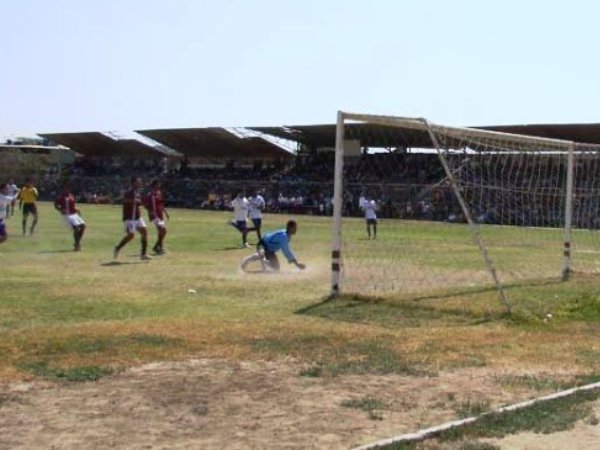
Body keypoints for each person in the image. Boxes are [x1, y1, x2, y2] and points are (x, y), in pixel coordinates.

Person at [240, 220, 306, 272]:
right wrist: (297, 264)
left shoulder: (287, 235)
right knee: (262, 254)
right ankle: (246, 261)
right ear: (290, 228)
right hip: (263, 244)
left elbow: (287, 249)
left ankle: (264, 262)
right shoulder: (283, 236)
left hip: (270, 251)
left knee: (276, 269)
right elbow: (286, 251)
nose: (296, 230)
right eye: (294, 228)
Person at [113, 177, 151, 260]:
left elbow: (139, 202)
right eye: (138, 182)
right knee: (131, 236)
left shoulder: (138, 192)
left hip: (137, 217)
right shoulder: (129, 192)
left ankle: (143, 254)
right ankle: (117, 248)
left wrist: (145, 205)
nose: (140, 183)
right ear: (133, 183)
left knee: (144, 232)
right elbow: (125, 201)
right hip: (130, 217)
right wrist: (133, 201)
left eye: (140, 182)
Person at [54, 182, 86, 251]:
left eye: (68, 187)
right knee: (77, 229)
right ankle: (77, 245)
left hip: (74, 214)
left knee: (83, 226)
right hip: (67, 215)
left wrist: (76, 209)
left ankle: (77, 243)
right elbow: (55, 204)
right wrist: (60, 210)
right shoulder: (61, 196)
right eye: (65, 187)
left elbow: (72, 205)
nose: (67, 188)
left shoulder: (71, 195)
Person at [144, 179, 168, 255]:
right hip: (154, 215)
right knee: (163, 230)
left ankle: (158, 247)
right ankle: (158, 247)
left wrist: (165, 212)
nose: (159, 186)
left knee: (161, 231)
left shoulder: (158, 193)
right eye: (157, 185)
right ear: (154, 185)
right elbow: (146, 204)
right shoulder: (150, 195)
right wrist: (150, 212)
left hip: (160, 215)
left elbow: (161, 204)